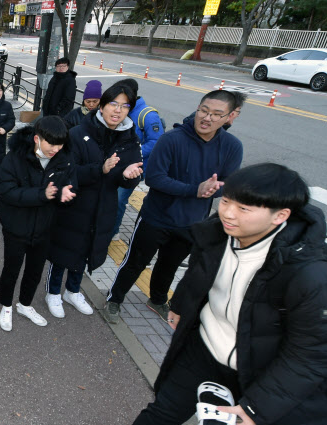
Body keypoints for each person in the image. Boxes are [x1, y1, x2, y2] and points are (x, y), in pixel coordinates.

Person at [72, 163, 327, 425]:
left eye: (243, 208)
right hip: (204, 347)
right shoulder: (218, 234)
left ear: (280, 216)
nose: (228, 213)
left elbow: (316, 355)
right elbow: (199, 276)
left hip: (262, 369)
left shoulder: (315, 276)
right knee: (165, 408)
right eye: (226, 201)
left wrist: (256, 407)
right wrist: (180, 306)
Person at [101, 90, 243, 325]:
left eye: (216, 114)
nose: (207, 118)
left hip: (192, 222)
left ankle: (157, 299)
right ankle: (114, 299)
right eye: (204, 111)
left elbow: (230, 183)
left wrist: (212, 189)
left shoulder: (232, 146)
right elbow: (154, 178)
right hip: (155, 217)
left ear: (228, 117)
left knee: (170, 265)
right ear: (197, 109)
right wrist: (195, 190)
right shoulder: (173, 139)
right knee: (135, 261)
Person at [46, 83, 143, 319]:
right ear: (101, 105)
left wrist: (128, 176)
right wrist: (100, 169)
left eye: (124, 106)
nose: (118, 110)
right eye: (113, 104)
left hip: (104, 207)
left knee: (87, 250)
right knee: (63, 250)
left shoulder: (130, 140)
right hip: (74, 204)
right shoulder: (78, 133)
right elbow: (65, 171)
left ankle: (73, 290)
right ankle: (53, 292)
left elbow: (127, 179)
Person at [0, 116, 76, 332]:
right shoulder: (14, 159)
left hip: (44, 227)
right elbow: (7, 191)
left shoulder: (64, 158)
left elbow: (70, 182)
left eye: (60, 144)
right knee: (11, 269)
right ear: (37, 139)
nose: (56, 149)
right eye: (51, 143)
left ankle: (24, 304)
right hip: (16, 226)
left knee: (35, 270)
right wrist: (42, 194)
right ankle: (6, 305)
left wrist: (65, 193)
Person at [112, 78, 164, 241]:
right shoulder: (121, 109)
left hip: (134, 168)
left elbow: (157, 141)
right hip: (114, 163)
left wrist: (133, 152)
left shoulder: (147, 115)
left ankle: (113, 231)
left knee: (119, 198)